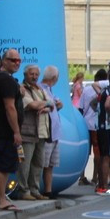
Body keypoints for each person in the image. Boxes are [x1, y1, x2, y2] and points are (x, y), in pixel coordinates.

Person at [0, 49, 25, 212]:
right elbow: (10, 107)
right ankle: (0, 199)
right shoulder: (5, 81)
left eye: (19, 61)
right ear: (4, 61)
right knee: (4, 166)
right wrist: (16, 131)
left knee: (3, 165)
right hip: (5, 131)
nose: (17, 63)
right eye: (13, 60)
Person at [18, 64, 50, 200]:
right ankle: (23, 191)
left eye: (37, 74)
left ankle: (34, 190)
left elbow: (53, 105)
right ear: (25, 75)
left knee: (38, 163)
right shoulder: (23, 89)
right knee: (25, 163)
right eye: (32, 74)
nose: (34, 77)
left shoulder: (39, 89)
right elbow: (32, 105)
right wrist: (47, 103)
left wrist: (47, 105)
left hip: (42, 132)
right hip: (28, 132)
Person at [39, 65, 64, 198]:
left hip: (54, 133)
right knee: (42, 163)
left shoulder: (50, 90)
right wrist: (52, 106)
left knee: (50, 164)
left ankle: (48, 190)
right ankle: (37, 190)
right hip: (46, 133)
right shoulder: (40, 89)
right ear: (54, 77)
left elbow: (54, 105)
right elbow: (44, 107)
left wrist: (56, 105)